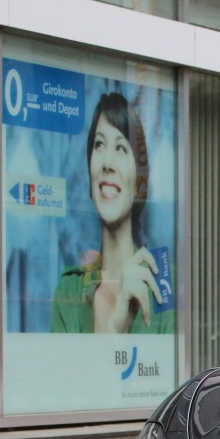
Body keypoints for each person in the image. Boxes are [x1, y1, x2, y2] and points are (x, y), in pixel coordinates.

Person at [51, 92, 173, 334]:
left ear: (140, 177)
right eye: (99, 145)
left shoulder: (163, 286)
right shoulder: (69, 290)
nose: (107, 162)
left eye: (120, 147)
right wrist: (115, 328)